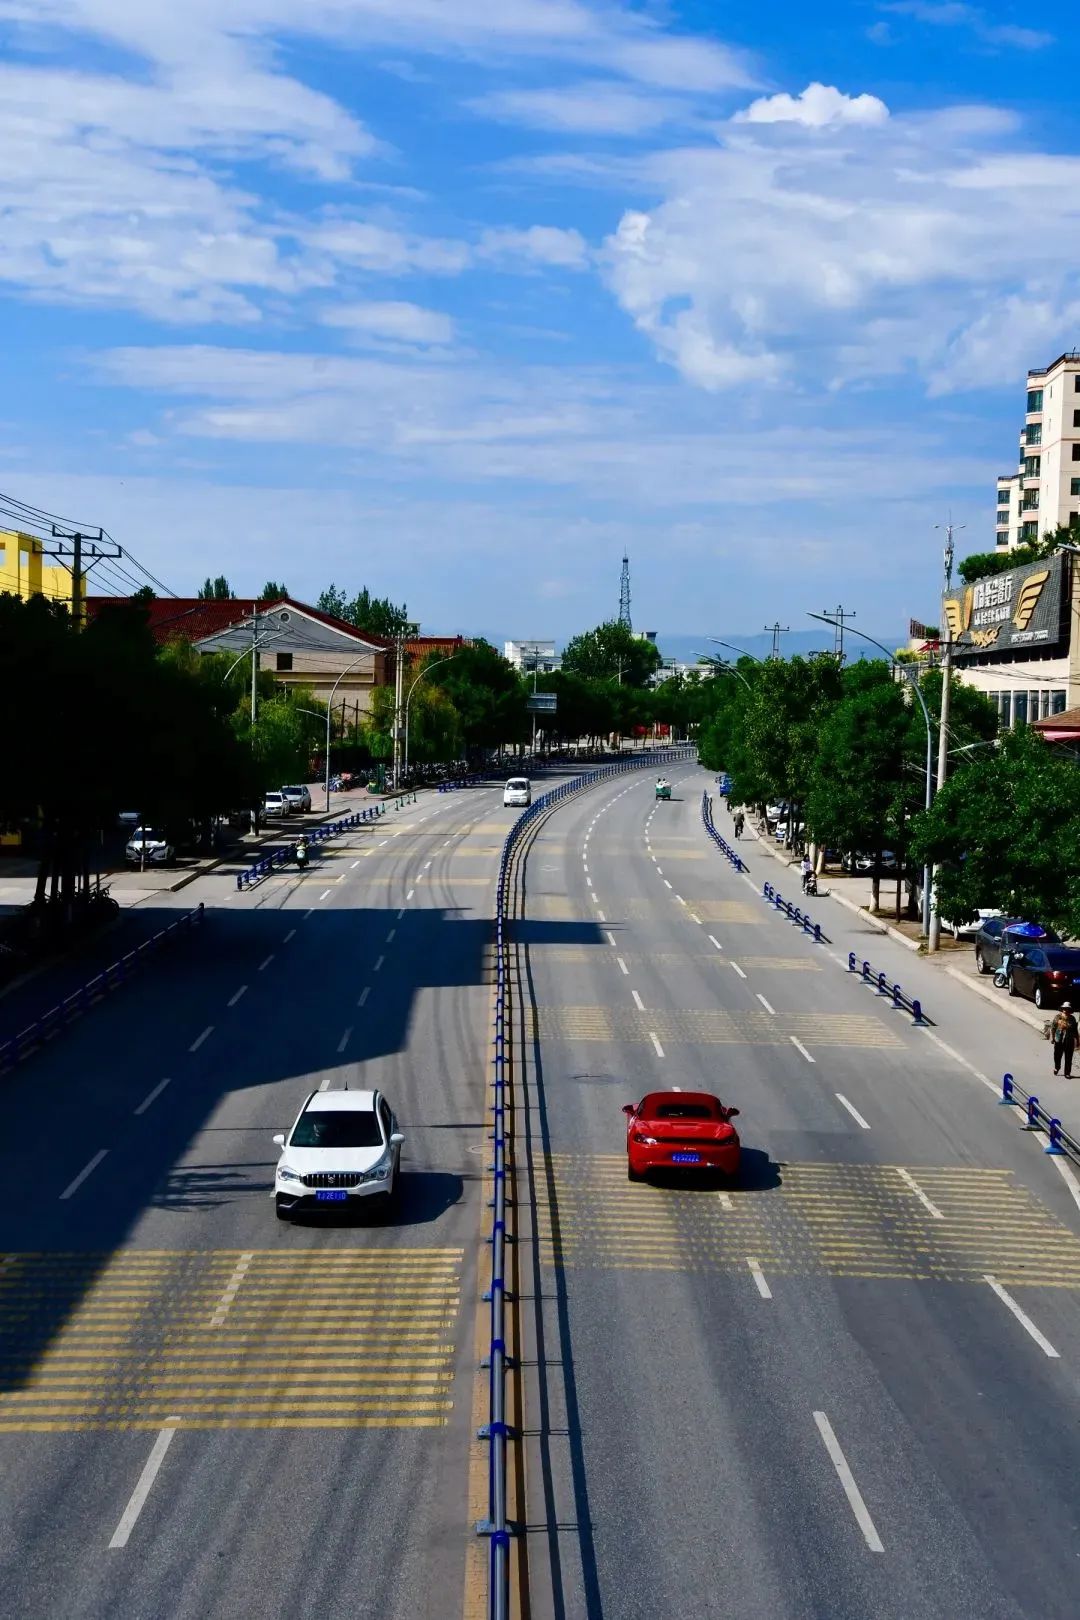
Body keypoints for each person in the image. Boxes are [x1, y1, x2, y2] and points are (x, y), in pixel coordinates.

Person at [1051, 1003, 1079, 1078]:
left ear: (1070, 1010)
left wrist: (1078, 1041)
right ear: (1062, 1009)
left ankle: (1067, 1073)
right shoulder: (1057, 1017)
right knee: (1057, 1056)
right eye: (1064, 1009)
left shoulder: (1072, 1019)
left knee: (1068, 1057)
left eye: (1067, 1009)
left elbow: (1075, 1031)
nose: (1066, 1011)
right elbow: (1053, 1028)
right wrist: (1053, 1038)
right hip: (1058, 1040)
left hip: (1069, 1040)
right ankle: (1057, 1067)